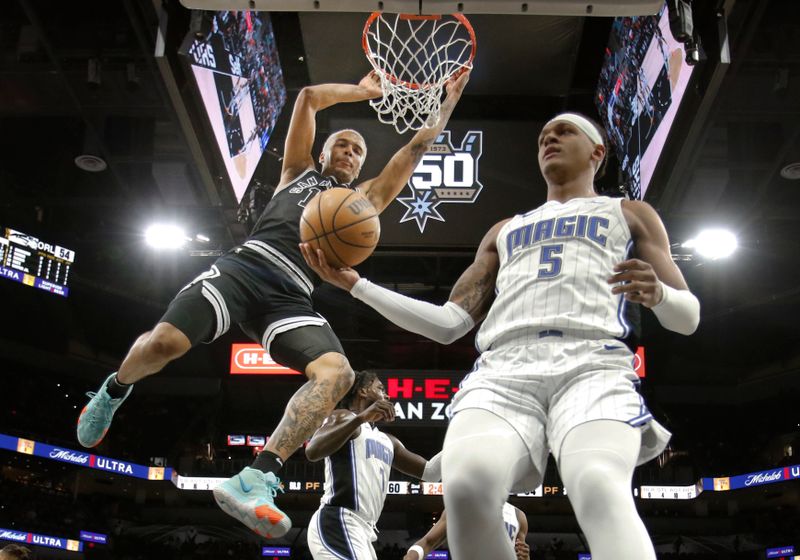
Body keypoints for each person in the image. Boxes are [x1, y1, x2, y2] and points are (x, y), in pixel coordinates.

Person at [76, 69, 469, 539]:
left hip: (291, 294)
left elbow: (415, 148)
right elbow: (306, 98)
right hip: (245, 268)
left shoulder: (364, 200)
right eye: (342, 144)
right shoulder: (297, 173)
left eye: (358, 150)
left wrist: (447, 103)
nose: (349, 152)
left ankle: (257, 477)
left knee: (338, 374)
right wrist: (363, 93)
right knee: (164, 344)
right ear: (323, 153)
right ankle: (115, 389)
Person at [301, 111, 700, 559]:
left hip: (592, 362)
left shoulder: (628, 213)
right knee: (466, 487)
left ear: (597, 151)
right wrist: (358, 285)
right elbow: (448, 323)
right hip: (504, 368)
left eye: (564, 131)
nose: (550, 138)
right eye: (544, 135)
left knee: (597, 483)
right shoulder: (504, 231)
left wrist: (661, 294)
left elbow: (686, 318)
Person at [304, 370, 442, 560]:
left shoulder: (388, 441)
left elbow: (431, 473)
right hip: (339, 521)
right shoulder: (344, 417)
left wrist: (464, 438)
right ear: (363, 391)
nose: (387, 395)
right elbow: (313, 451)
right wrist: (361, 418)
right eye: (380, 388)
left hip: (364, 530)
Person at [403, 503, 529, 560]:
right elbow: (428, 542)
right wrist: (412, 556)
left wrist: (525, 557)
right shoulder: (460, 507)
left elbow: (520, 555)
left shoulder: (518, 516)